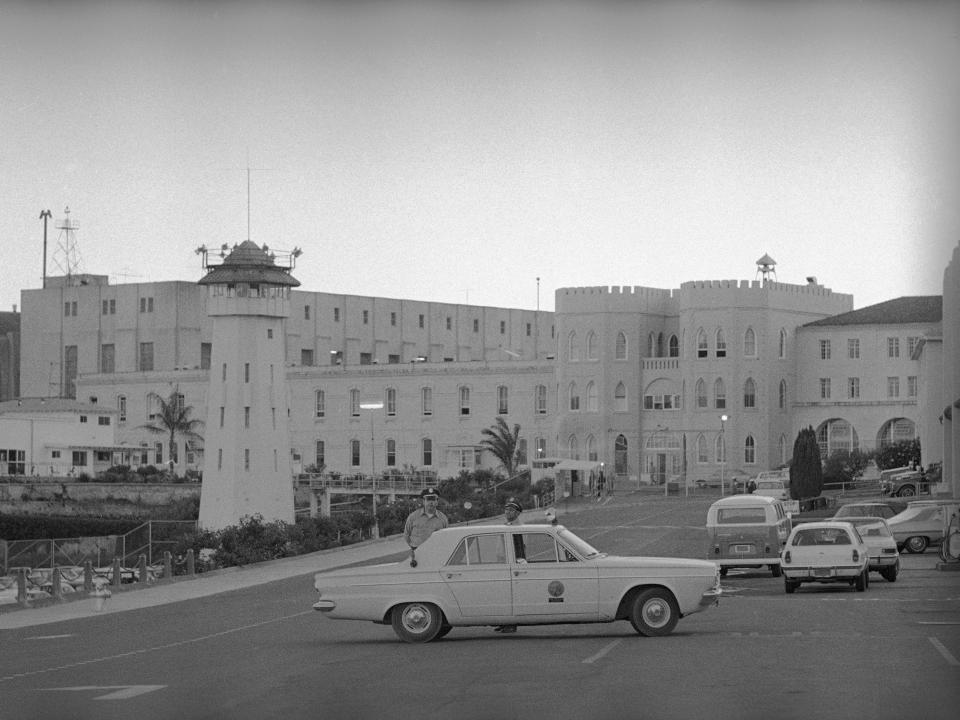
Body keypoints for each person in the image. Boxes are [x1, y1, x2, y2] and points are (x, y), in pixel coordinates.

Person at [403, 488, 448, 566]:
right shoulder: (413, 517)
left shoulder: (443, 518)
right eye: (428, 500)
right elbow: (407, 535)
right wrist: (414, 548)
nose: (431, 502)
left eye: (433, 500)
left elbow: (446, 537)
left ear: (437, 502)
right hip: (417, 556)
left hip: (436, 554)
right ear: (423, 501)